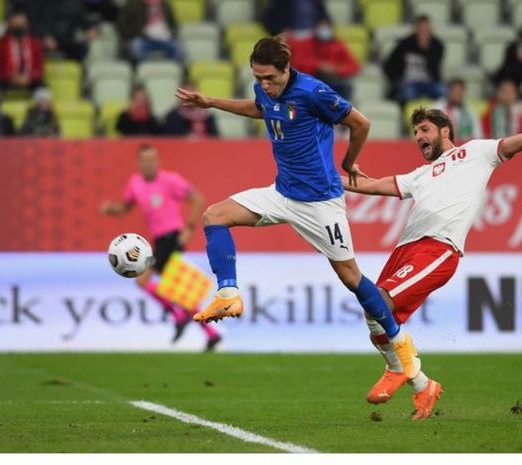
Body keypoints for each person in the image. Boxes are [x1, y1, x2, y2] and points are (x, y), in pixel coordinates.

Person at [174, 36, 413, 382]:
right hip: (282, 192)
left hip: (320, 202)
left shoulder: (314, 92)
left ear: (287, 69)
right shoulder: (265, 91)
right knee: (214, 216)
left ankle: (399, 342)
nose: (264, 85)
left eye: (270, 78)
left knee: (351, 277)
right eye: (258, 78)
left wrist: (348, 163)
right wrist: (210, 102)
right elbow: (259, 108)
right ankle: (228, 294)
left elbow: (360, 124)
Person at [341, 103, 522, 419]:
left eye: (424, 130)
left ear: (444, 130)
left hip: (438, 248)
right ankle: (423, 385)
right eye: (415, 133)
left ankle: (396, 367)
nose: (419, 137)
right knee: (373, 312)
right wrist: (321, 180)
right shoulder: (421, 174)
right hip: (406, 249)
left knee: (380, 302)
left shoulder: (476, 153)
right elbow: (371, 185)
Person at [99, 144, 222, 351]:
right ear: (139, 163)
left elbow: (197, 199)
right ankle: (211, 333)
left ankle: (178, 315)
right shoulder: (135, 183)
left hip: (172, 237)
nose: (149, 163)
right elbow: (125, 206)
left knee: (142, 280)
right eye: (145, 160)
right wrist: (112, 209)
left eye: (152, 159)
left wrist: (189, 229)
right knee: (176, 290)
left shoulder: (170, 180)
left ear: (158, 161)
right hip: (158, 240)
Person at [287, 19, 360, 100]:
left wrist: (337, 70)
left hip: (333, 81)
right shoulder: (306, 43)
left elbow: (354, 66)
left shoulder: (338, 45)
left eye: (326, 27)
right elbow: (298, 61)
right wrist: (319, 66)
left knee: (346, 88)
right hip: (312, 78)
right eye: (322, 27)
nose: (324, 30)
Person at [383, 15, 445, 104]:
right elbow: (388, 64)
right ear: (416, 29)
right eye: (421, 30)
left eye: (426, 30)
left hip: (430, 83)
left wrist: (426, 50)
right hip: (410, 82)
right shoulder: (405, 44)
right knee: (408, 94)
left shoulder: (437, 46)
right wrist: (396, 80)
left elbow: (435, 68)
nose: (424, 33)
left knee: (442, 92)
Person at [22, 0, 98, 61]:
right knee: (31, 46)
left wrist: (90, 29)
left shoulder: (74, 4)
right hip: (44, 39)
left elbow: (84, 21)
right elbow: (33, 23)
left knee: (82, 48)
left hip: (67, 41)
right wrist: (45, 36)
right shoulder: (39, 2)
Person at [0, 12, 45, 92]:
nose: (19, 27)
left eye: (21, 24)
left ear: (27, 25)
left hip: (30, 81)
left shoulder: (35, 43)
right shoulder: (0, 44)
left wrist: (29, 78)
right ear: (9, 25)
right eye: (16, 24)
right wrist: (12, 78)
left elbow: (40, 69)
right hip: (5, 81)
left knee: (44, 93)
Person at [116, 0, 181, 62]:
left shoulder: (165, 5)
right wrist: (138, 33)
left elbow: (174, 25)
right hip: (142, 38)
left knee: (178, 49)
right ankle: (140, 71)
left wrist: (170, 33)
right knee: (136, 47)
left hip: (164, 38)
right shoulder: (132, 4)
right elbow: (121, 25)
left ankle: (174, 71)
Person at [433, 78, 482, 144]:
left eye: (459, 92)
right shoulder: (438, 109)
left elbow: (478, 135)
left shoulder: (470, 113)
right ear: (448, 91)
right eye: (454, 92)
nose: (457, 95)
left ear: (464, 93)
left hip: (465, 148)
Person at [261, 0, 328, 36]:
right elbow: (267, 19)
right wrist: (281, 31)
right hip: (293, 38)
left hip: (314, 37)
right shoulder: (280, 2)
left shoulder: (315, 2)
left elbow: (324, 18)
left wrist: (323, 24)